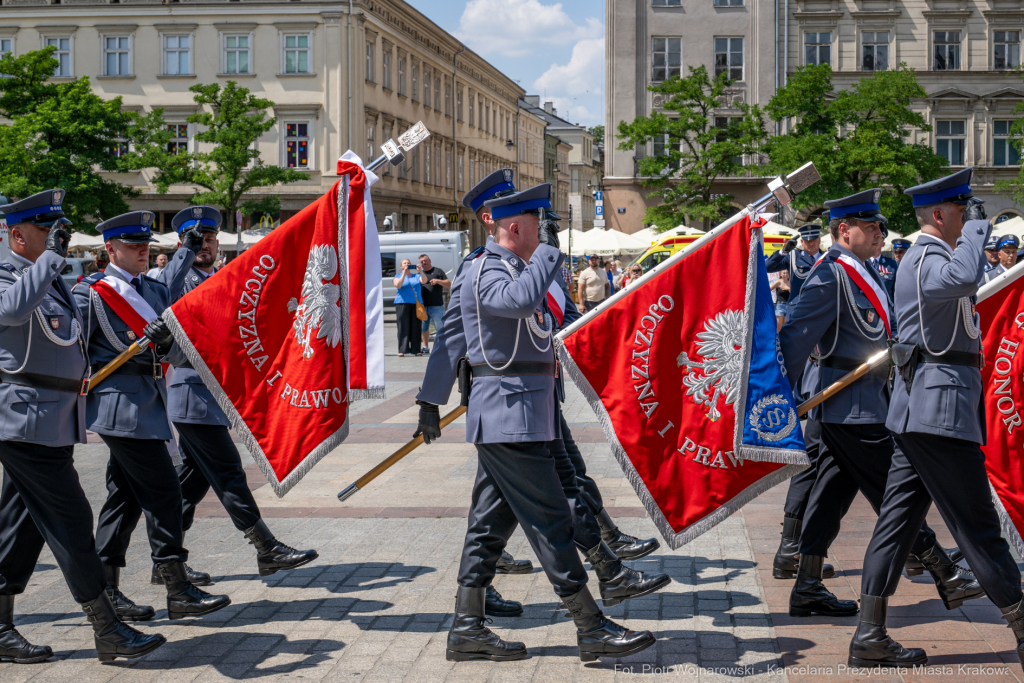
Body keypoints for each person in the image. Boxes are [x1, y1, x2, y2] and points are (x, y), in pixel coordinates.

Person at [417, 171, 661, 620]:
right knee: (557, 498)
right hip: (509, 405)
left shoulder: (526, 263)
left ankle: (471, 614)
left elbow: (561, 320)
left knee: (494, 515)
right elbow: (457, 334)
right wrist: (430, 399)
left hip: (536, 400)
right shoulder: (484, 267)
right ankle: (602, 584)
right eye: (530, 215)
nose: (541, 224)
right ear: (500, 220)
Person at [851, 168, 1024, 668]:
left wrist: (969, 232)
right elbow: (966, 278)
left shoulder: (937, 256)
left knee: (897, 524)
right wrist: (975, 230)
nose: (975, 222)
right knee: (978, 527)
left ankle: (869, 634)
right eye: (966, 212)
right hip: (937, 410)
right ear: (944, 215)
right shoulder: (928, 257)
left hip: (926, 409)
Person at [779, 189, 978, 621]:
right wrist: (777, 400)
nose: (879, 234)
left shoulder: (860, 270)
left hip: (864, 401)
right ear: (843, 230)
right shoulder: (830, 274)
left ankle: (808, 586)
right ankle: (945, 570)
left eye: (880, 226)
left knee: (829, 497)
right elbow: (794, 337)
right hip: (850, 406)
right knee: (897, 494)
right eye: (870, 227)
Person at [0, 191, 164, 663]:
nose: (58, 240)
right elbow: (11, 312)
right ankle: (107, 627)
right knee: (71, 520)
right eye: (46, 232)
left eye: (59, 233)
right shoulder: (11, 275)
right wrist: (51, 257)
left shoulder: (46, 278)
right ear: (17, 235)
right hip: (23, 417)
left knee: (22, 522)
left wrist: (49, 259)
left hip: (49, 418)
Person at [73, 211, 232, 623]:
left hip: (151, 402)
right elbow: (75, 353)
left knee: (124, 499)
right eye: (132, 244)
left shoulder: (149, 289)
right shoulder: (91, 293)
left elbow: (175, 341)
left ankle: (108, 588)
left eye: (146, 244)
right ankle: (177, 588)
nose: (143, 250)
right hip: (119, 408)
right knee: (164, 493)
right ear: (111, 249)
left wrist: (168, 342)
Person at [164, 206, 318, 585]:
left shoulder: (224, 278)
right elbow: (164, 299)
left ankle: (165, 560)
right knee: (230, 473)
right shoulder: (174, 279)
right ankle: (266, 548)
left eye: (211, 239)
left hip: (219, 397)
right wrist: (183, 254)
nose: (205, 246)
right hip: (192, 395)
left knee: (187, 488)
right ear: (183, 243)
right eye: (197, 240)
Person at [765, 224, 823, 307]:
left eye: (814, 240)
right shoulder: (793, 257)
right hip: (798, 307)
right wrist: (784, 251)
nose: (811, 243)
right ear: (802, 242)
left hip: (821, 307)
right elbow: (768, 267)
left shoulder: (828, 257)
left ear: (819, 240)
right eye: (808, 240)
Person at [418, 254, 449, 354]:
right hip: (423, 306)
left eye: (425, 261)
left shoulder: (438, 271)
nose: (424, 263)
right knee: (424, 329)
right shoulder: (420, 274)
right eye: (422, 262)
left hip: (436, 306)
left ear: (430, 260)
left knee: (440, 328)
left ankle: (442, 347)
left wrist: (438, 281)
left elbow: (448, 284)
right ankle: (425, 347)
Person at [392, 258, 422, 357]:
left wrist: (420, 271)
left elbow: (424, 280)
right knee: (403, 326)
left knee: (416, 327)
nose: (407, 264)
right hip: (402, 303)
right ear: (401, 266)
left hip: (416, 304)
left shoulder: (417, 276)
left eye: (408, 263)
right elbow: (398, 285)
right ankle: (402, 349)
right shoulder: (397, 276)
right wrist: (404, 274)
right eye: (404, 263)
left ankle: (416, 349)